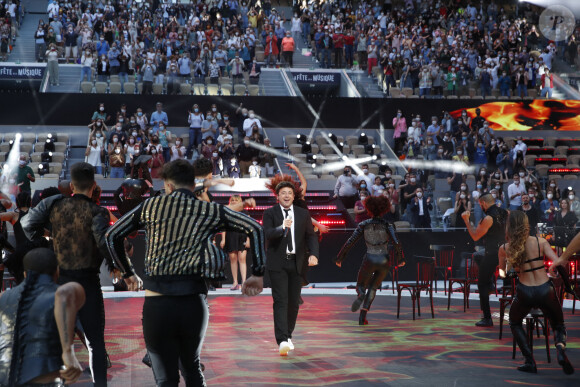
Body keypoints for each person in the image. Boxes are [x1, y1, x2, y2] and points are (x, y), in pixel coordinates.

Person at [106, 159, 266, 385]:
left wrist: (128, 273)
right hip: (193, 303)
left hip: (157, 305)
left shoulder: (150, 207)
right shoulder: (208, 209)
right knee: (192, 370)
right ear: (194, 185)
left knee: (165, 379)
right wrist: (258, 273)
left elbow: (112, 235)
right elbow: (256, 228)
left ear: (168, 185)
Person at [22, 162, 140, 387]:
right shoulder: (97, 212)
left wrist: (48, 235)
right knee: (95, 342)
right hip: (87, 284)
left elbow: (27, 224)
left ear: (71, 184)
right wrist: (126, 271)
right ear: (94, 185)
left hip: (61, 282)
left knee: (58, 341)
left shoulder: (55, 205)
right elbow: (104, 243)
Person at [498, 211, 573, 375]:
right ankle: (560, 350)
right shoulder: (540, 242)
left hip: (524, 291)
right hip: (545, 289)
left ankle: (530, 361)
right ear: (526, 225)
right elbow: (559, 263)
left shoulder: (504, 248)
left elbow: (502, 274)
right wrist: (568, 286)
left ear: (509, 226)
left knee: (514, 321)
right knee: (558, 324)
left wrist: (510, 271)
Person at [0, 248, 85, 386]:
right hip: (44, 379)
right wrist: (68, 351)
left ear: (25, 274)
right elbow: (64, 293)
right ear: (57, 271)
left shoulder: (3, 298)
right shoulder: (61, 293)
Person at [263, 181, 319, 356]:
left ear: (294, 196)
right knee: (281, 301)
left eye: (289, 193)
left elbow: (311, 236)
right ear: (277, 196)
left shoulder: (303, 214)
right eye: (283, 193)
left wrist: (314, 254)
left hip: (297, 262)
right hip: (277, 263)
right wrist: (282, 228)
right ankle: (282, 340)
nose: (286, 196)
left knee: (294, 302)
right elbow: (267, 234)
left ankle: (287, 335)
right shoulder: (270, 213)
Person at [336, 196, 404, 325]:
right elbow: (396, 242)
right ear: (384, 209)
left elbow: (350, 242)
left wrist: (340, 257)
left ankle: (361, 294)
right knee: (373, 288)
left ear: (369, 209)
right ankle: (363, 317)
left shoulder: (363, 224)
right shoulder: (387, 225)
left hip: (370, 258)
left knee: (361, 285)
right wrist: (401, 259)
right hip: (384, 260)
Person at [461, 193, 508, 327]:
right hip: (506, 251)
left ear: (484, 204)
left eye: (480, 205)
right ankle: (491, 283)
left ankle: (487, 318)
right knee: (478, 256)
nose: (480, 206)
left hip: (493, 253)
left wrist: (466, 220)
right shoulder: (505, 212)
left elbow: (475, 236)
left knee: (481, 283)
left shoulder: (488, 218)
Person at [220, 195, 250, 291]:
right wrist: (223, 239)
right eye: (232, 200)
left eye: (236, 200)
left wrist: (249, 240)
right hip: (231, 236)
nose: (233, 201)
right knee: (233, 259)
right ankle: (235, 282)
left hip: (242, 237)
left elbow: (249, 227)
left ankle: (244, 282)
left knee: (242, 259)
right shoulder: (227, 212)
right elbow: (224, 227)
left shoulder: (245, 212)